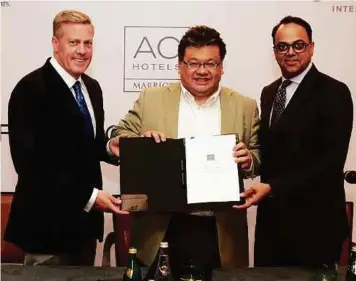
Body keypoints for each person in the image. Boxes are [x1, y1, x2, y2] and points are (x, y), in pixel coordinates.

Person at [108, 25, 260, 279]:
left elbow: (257, 155)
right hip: (160, 229)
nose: (202, 71)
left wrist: (249, 160)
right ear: (179, 66)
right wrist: (138, 142)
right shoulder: (151, 99)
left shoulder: (244, 105)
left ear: (221, 67)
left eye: (211, 63)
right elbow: (117, 139)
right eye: (193, 63)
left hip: (219, 229)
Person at [4, 10, 128, 266]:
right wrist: (91, 198)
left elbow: (86, 146)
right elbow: (32, 168)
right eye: (74, 42)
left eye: (88, 43)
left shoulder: (91, 88)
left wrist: (108, 147)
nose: (82, 50)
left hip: (83, 231)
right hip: (46, 233)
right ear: (55, 43)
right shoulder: (30, 90)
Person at [235, 16, 353, 268]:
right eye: (282, 46)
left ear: (311, 47)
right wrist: (247, 159)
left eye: (298, 45)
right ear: (274, 52)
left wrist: (273, 186)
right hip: (271, 225)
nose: (290, 52)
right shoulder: (269, 92)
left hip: (315, 226)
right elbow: (270, 152)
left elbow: (329, 165)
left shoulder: (334, 92)